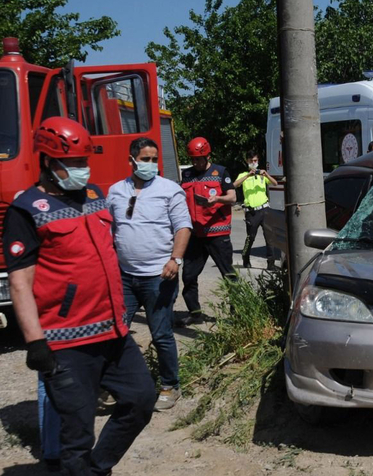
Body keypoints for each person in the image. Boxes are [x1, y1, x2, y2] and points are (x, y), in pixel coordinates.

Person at [3, 117, 155, 474]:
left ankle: (98, 468)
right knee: (77, 434)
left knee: (141, 400)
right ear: (47, 162)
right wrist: (34, 341)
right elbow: (20, 282)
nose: (81, 169)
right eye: (72, 163)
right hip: (66, 343)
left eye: (83, 162)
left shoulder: (94, 195)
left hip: (114, 333)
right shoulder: (26, 209)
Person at [107, 137, 192, 410]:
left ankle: (170, 385)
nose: (151, 164)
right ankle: (114, 384)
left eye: (154, 159)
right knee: (116, 332)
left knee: (161, 333)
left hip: (159, 277)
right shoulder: (115, 191)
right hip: (124, 277)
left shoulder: (170, 190)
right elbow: (109, 230)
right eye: (145, 159)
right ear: (131, 160)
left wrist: (175, 260)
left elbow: (183, 227)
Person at [179, 137, 237, 327]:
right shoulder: (187, 175)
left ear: (207, 156)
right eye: (193, 159)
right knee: (188, 275)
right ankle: (195, 313)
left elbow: (233, 197)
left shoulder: (220, 172)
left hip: (217, 234)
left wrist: (217, 199)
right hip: (195, 235)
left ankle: (238, 314)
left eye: (199, 159)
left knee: (229, 275)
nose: (195, 163)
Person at [234, 150, 279, 270]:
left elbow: (275, 183)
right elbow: (234, 185)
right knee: (251, 237)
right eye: (251, 161)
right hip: (251, 212)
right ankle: (245, 256)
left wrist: (266, 175)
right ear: (247, 161)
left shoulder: (262, 175)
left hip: (265, 209)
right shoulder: (243, 175)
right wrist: (248, 175)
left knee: (269, 237)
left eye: (255, 160)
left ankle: (271, 263)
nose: (254, 163)